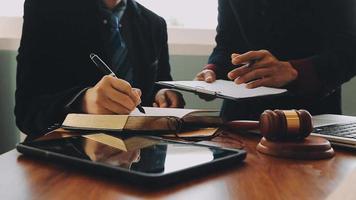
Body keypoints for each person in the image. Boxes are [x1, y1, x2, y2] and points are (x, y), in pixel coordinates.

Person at [15, 0, 185, 139]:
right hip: (69, 161)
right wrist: (83, 101)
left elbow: (158, 84)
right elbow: (27, 111)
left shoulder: (155, 24)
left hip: (138, 158)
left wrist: (162, 93)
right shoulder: (45, 7)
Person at [196, 0, 356, 121]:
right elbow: (227, 43)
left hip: (310, 121)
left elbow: (349, 51)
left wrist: (295, 71)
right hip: (238, 121)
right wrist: (213, 69)